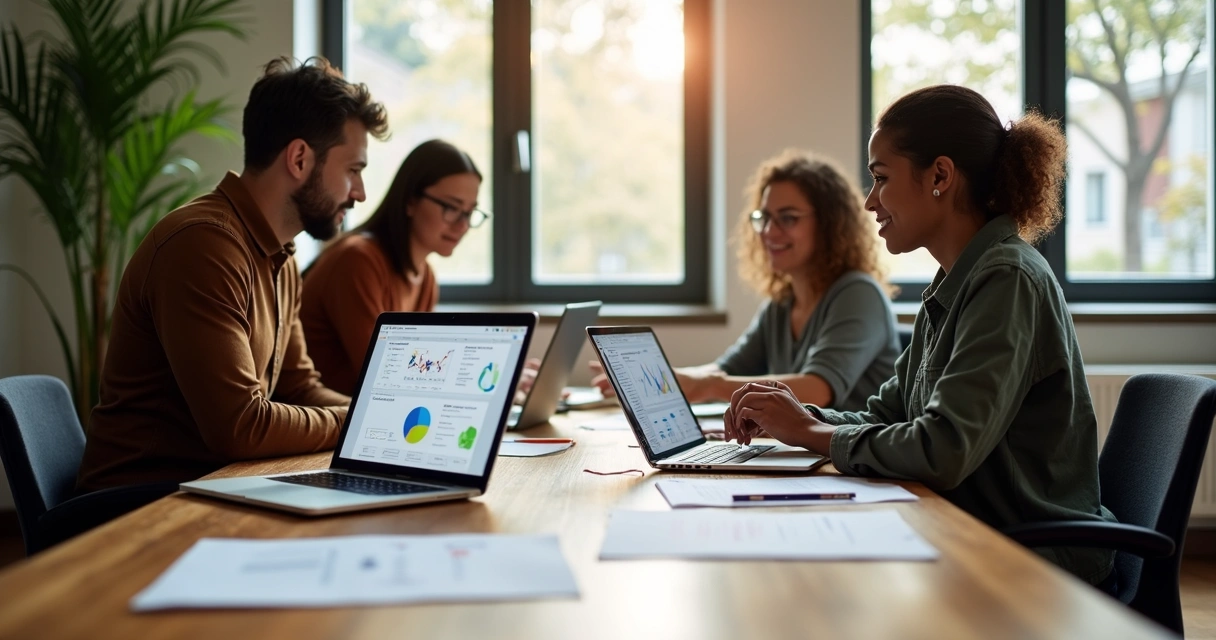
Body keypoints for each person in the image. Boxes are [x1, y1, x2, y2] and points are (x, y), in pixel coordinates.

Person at [724, 85, 1117, 588]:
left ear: (940, 176)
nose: (869, 202)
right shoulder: (953, 281)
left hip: (1034, 556)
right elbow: (887, 415)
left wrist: (808, 433)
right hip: (975, 532)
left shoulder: (1007, 278)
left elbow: (942, 449)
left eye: (881, 178)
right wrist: (801, 418)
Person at [77, 57, 390, 492]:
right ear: (299, 158)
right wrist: (364, 423)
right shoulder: (204, 245)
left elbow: (300, 389)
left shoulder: (279, 257)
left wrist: (381, 417)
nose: (360, 193)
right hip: (139, 508)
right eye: (354, 170)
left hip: (213, 487)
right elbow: (240, 426)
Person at [592, 151, 899, 411]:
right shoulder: (782, 304)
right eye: (763, 218)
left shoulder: (859, 294)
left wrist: (707, 386)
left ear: (831, 225)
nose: (768, 231)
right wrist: (655, 378)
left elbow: (818, 388)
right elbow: (727, 370)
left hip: (855, 469)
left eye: (788, 218)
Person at [300, 139, 488, 395]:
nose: (462, 225)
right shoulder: (357, 260)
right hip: (322, 423)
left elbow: (420, 371)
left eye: (469, 212)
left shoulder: (425, 278)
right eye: (452, 208)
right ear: (410, 201)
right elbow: (388, 377)